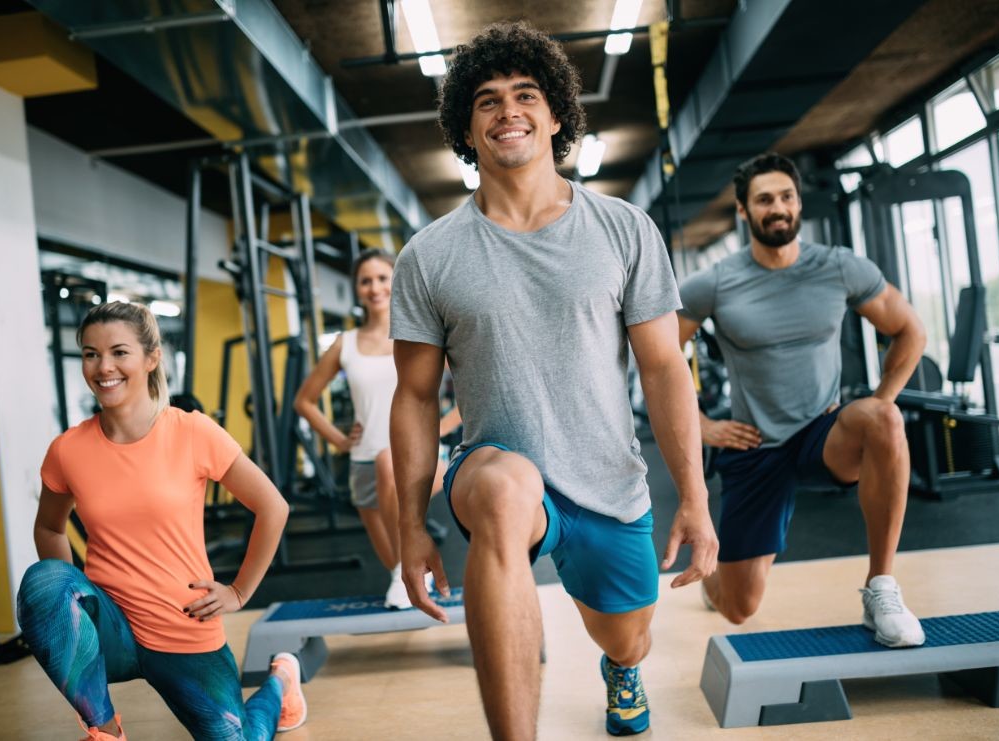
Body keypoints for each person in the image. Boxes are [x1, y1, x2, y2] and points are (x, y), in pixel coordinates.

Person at [389, 22, 718, 739]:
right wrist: (411, 528)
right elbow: (414, 396)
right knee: (507, 492)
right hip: (494, 468)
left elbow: (664, 370)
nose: (507, 109)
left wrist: (693, 497)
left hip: (608, 481)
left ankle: (621, 667)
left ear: (555, 115)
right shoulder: (429, 256)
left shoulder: (623, 229)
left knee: (626, 635)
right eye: (486, 100)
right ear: (465, 129)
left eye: (524, 94)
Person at [17, 301, 306, 740]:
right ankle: (105, 729)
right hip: (112, 625)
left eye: (119, 352)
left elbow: (273, 506)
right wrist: (74, 611)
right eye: (91, 354)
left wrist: (238, 591)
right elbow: (50, 528)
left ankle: (280, 681)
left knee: (238, 736)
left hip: (182, 624)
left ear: (151, 359)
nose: (103, 367)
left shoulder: (192, 432)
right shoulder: (68, 450)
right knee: (44, 581)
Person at [676, 152, 927, 648]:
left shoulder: (837, 266)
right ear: (744, 211)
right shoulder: (715, 282)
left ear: (798, 204)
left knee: (884, 419)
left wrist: (881, 401)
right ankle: (717, 582)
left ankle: (881, 587)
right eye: (765, 199)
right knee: (738, 608)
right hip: (755, 445)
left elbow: (909, 330)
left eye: (786, 197)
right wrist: (701, 424)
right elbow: (657, 358)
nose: (778, 208)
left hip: (823, 434)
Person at [294, 249, 461, 609]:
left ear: (396, 281)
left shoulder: (422, 334)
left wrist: (441, 428)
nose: (375, 287)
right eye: (366, 281)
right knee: (396, 569)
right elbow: (304, 401)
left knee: (391, 461)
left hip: (421, 457)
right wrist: (339, 440)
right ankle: (412, 586)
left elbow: (471, 386)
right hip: (363, 464)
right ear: (357, 289)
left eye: (383, 278)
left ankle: (412, 568)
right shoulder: (345, 344)